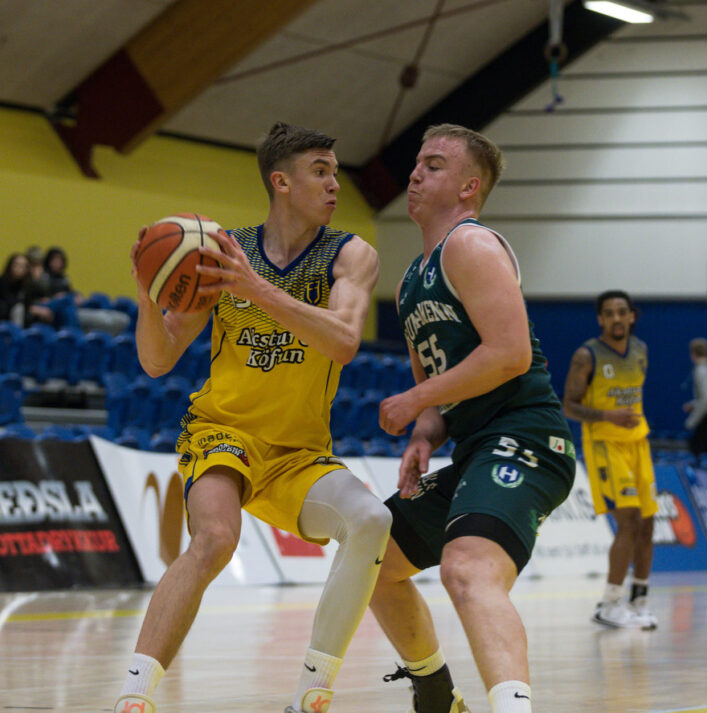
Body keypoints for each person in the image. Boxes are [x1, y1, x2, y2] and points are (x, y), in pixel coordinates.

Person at [113, 123, 391, 713]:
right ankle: (134, 698)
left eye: (336, 172)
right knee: (215, 539)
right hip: (224, 433)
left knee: (371, 519)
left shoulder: (351, 254)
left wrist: (258, 289)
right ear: (281, 182)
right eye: (321, 171)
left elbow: (344, 340)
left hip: (299, 454)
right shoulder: (221, 253)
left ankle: (311, 693)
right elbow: (157, 360)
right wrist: (147, 293)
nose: (335, 184)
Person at [369, 124, 576, 713]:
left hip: (526, 436)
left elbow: (510, 354)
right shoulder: (411, 279)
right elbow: (441, 390)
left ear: (468, 187)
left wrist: (414, 398)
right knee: (369, 558)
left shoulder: (471, 245)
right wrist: (424, 430)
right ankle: (436, 692)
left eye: (433, 165)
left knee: (468, 569)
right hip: (474, 448)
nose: (415, 173)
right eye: (417, 163)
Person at [562, 289, 658, 630]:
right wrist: (608, 416)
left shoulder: (641, 350)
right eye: (609, 313)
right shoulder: (586, 355)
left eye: (622, 312)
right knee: (628, 520)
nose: (616, 318)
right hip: (605, 444)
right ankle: (609, 603)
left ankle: (639, 600)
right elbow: (568, 406)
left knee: (648, 523)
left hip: (638, 443)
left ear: (632, 316)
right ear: (601, 319)